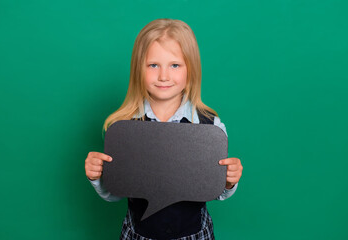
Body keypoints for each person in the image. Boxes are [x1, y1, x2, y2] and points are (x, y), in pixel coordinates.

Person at [84, 18, 243, 240]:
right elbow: (115, 192)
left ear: (191, 70)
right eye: (153, 65)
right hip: (138, 234)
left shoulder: (210, 127)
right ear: (139, 68)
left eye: (175, 65)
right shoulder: (123, 127)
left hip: (194, 233)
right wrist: (97, 176)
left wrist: (229, 181)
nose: (164, 76)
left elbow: (216, 191)